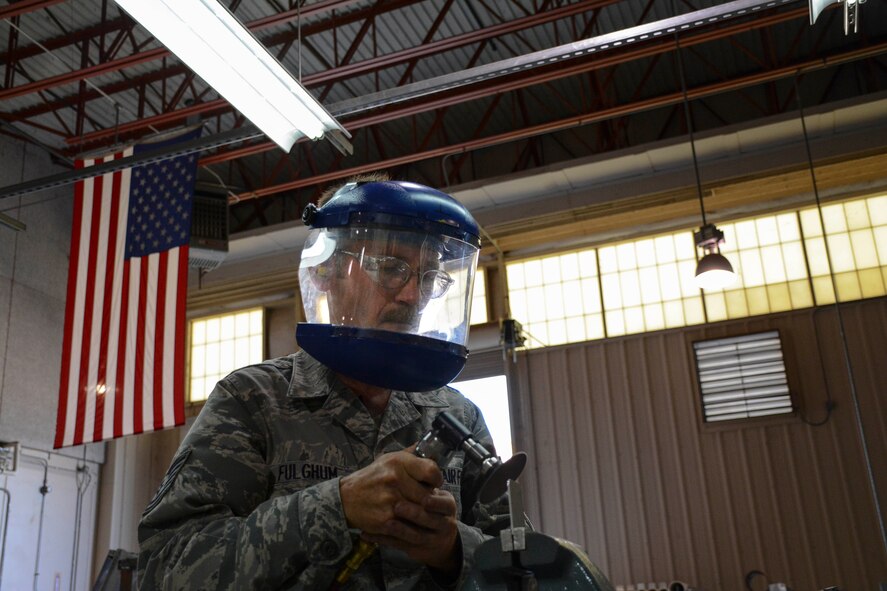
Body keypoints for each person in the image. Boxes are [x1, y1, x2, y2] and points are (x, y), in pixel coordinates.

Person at [137, 175, 507, 590]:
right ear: (328, 272)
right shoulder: (253, 400)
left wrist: (453, 552)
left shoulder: (458, 417)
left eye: (428, 279)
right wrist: (337, 506)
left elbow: (521, 567)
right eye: (390, 269)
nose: (412, 297)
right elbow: (165, 568)